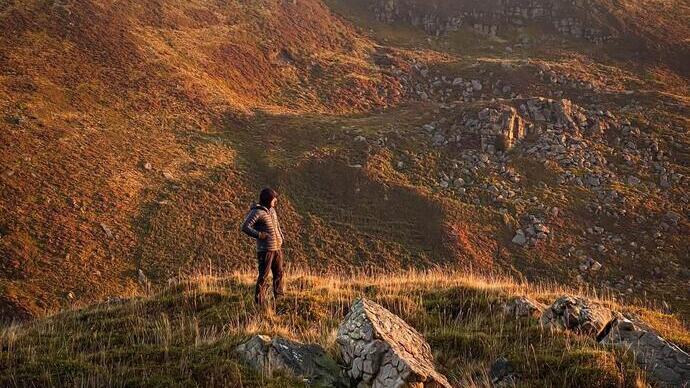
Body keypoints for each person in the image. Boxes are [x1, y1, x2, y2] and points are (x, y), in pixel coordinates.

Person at [241, 187, 285, 306]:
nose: (275, 200)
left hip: (276, 248)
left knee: (279, 273)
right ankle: (259, 303)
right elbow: (245, 227)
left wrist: (280, 237)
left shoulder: (272, 211)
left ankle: (279, 299)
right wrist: (259, 235)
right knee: (264, 277)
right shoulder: (257, 212)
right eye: (273, 198)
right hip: (265, 250)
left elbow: (277, 226)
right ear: (267, 199)